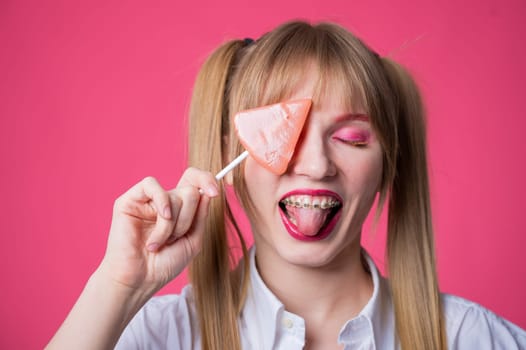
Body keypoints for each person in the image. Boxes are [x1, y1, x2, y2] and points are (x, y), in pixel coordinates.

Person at [47, 20, 526, 350]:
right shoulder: (162, 335)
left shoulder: (470, 337)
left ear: (388, 163)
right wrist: (118, 286)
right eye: (285, 136)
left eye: (351, 138)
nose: (316, 165)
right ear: (231, 158)